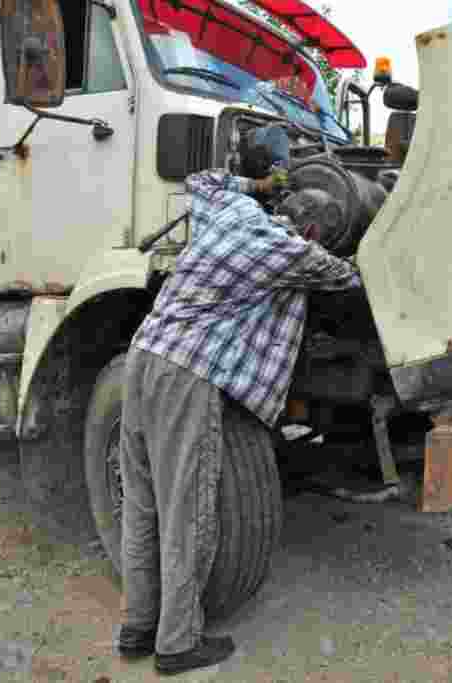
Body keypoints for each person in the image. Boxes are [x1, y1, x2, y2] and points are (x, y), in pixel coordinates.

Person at [117, 131, 362, 676]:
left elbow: (201, 179)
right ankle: (177, 644)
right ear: (312, 229)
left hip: (141, 358)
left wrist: (258, 182)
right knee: (187, 511)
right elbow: (346, 276)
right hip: (185, 378)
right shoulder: (284, 250)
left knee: (142, 503)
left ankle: (137, 625)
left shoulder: (221, 208)